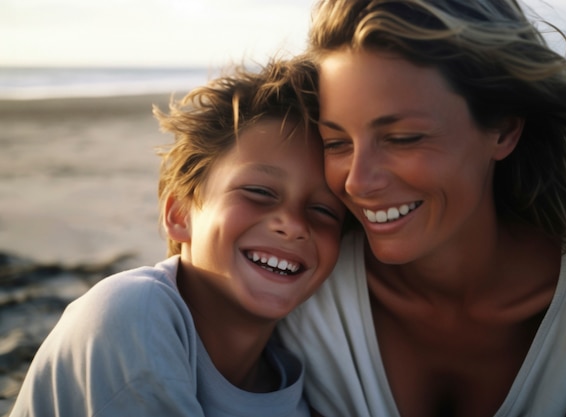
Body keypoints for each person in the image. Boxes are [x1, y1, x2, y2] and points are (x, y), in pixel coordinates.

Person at [277, 1, 566, 416]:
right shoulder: (303, 296)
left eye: (403, 138)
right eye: (337, 143)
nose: (356, 181)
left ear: (504, 129)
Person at [9, 57, 346, 417]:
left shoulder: (306, 391)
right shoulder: (132, 313)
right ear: (180, 214)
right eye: (259, 191)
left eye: (324, 210)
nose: (293, 224)